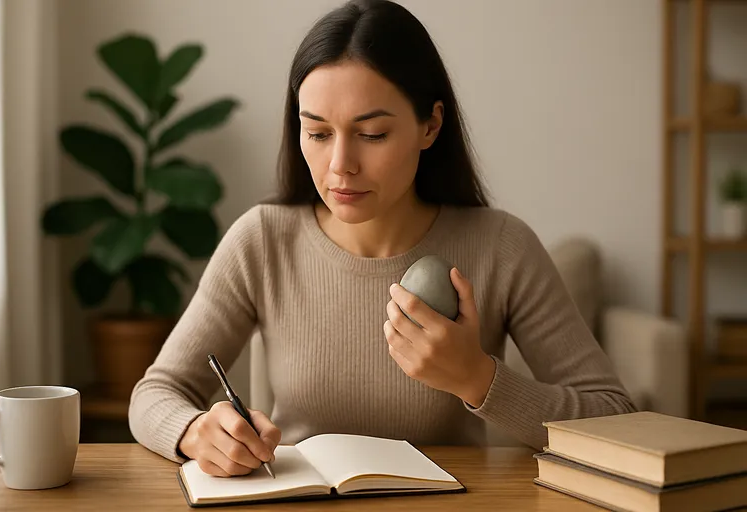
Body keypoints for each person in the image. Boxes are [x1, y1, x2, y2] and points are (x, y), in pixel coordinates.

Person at [128, 0, 636, 477]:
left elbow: (614, 417)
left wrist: (476, 377)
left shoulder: (501, 246)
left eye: (371, 135)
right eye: (318, 133)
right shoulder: (262, 240)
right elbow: (156, 393)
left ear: (430, 125)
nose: (340, 166)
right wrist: (196, 432)